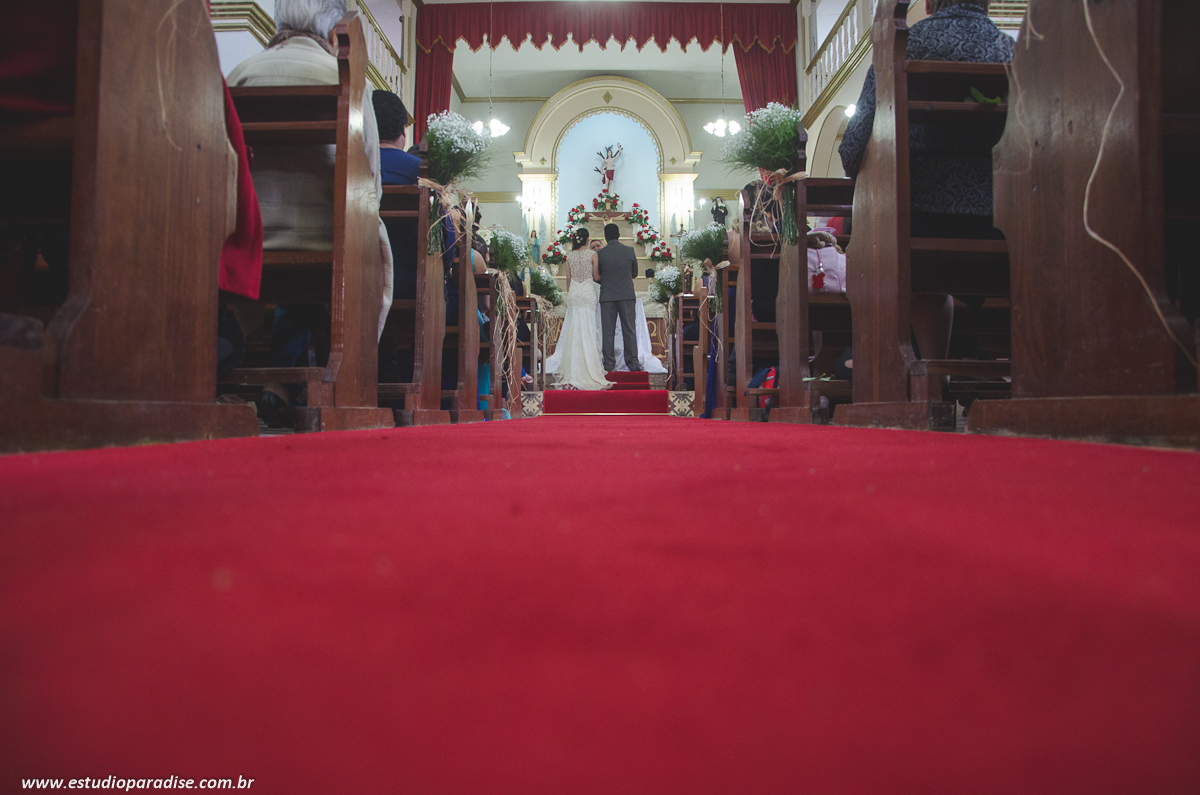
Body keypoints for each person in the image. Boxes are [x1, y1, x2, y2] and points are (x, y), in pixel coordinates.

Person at [226, 0, 393, 425]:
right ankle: (349, 372)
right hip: (325, 240)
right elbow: (370, 183)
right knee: (366, 238)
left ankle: (273, 381)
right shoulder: (346, 80)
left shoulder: (241, 73)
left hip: (249, 239)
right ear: (332, 25)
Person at [838, 0, 1014, 360]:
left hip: (918, 219)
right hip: (1004, 225)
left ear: (931, 3)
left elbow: (853, 147)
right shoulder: (1013, 51)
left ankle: (932, 370)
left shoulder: (903, 48)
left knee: (888, 254)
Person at [543, 228, 611, 390]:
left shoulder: (569, 256)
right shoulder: (592, 255)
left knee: (574, 329)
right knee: (588, 328)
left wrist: (571, 293)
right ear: (587, 240)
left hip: (574, 292)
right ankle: (589, 368)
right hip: (587, 292)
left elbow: (568, 278)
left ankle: (573, 369)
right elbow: (596, 277)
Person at [596, 223, 642, 372]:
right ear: (619, 235)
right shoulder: (629, 251)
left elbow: (596, 276)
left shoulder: (600, 254)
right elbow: (634, 273)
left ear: (605, 237)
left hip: (607, 295)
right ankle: (633, 364)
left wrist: (608, 280)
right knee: (629, 330)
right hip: (627, 295)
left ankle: (608, 365)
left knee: (608, 332)